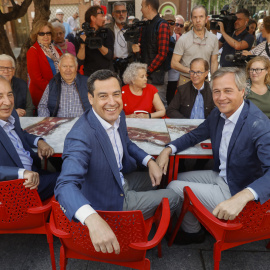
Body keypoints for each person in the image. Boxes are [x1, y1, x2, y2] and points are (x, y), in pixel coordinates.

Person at [54, 69, 179, 254]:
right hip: (109, 199)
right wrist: (93, 219)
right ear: (90, 98)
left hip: (119, 178)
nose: (112, 102)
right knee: (175, 196)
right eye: (103, 96)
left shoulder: (117, 114)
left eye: (116, 94)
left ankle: (149, 219)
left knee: (163, 178)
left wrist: (149, 161)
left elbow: (126, 143)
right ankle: (152, 231)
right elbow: (65, 185)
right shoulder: (80, 136)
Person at [157, 67, 270, 245]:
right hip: (224, 176)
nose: (221, 97)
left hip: (237, 190)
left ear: (242, 91)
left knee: (173, 187)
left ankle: (193, 232)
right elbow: (196, 135)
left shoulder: (259, 125)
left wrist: (242, 196)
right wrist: (168, 149)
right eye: (216, 91)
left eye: (228, 91)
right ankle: (200, 220)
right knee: (174, 177)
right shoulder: (219, 113)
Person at [0, 76, 58, 201]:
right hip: (19, 188)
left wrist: (39, 141)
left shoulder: (11, 114)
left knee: (67, 172)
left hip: (35, 172)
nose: (8, 102)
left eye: (10, 95)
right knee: (71, 179)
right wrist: (22, 173)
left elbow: (20, 133)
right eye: (0, 97)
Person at [132, 0, 170, 107]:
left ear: (148, 7)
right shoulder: (144, 26)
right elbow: (142, 50)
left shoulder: (162, 24)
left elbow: (162, 53)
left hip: (157, 75)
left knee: (160, 106)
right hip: (145, 74)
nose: (141, 9)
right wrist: (136, 49)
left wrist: (147, 71)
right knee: (145, 105)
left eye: (142, 6)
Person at [171, 5, 219, 86]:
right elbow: (174, 63)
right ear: (191, 20)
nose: (198, 20)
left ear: (206, 19)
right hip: (186, 81)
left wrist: (214, 82)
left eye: (201, 17)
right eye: (195, 17)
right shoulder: (183, 39)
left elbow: (214, 62)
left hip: (205, 82)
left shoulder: (213, 39)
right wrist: (192, 71)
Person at [27, 20, 62, 108]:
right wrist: (53, 89)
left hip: (59, 93)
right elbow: (36, 79)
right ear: (36, 35)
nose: (45, 36)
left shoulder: (56, 50)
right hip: (43, 95)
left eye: (48, 33)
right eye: (41, 33)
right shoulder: (33, 51)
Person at [77, 5, 114, 77]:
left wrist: (98, 44)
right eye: (101, 16)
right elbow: (80, 61)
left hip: (107, 74)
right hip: (90, 76)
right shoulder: (82, 35)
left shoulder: (106, 32)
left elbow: (110, 56)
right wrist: (82, 44)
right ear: (93, 18)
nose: (104, 19)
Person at [105, 2, 133, 81]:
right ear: (113, 14)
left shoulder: (132, 29)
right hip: (112, 67)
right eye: (118, 12)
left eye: (123, 11)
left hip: (129, 66)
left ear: (126, 13)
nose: (121, 14)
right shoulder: (107, 29)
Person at [163, 14, 181, 106]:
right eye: (167, 23)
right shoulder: (159, 36)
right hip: (162, 75)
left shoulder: (179, 38)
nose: (169, 25)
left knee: (171, 100)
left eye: (172, 23)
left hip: (174, 75)